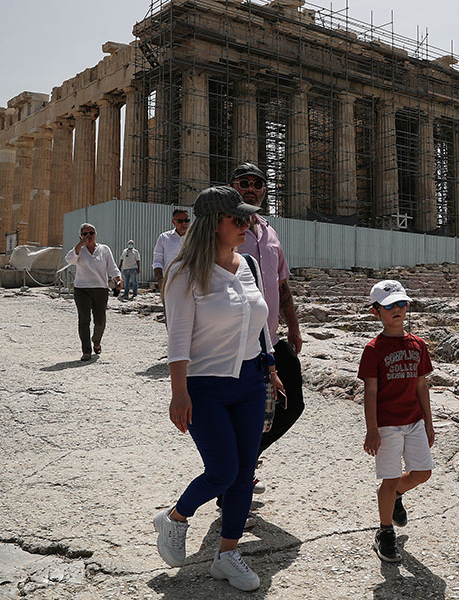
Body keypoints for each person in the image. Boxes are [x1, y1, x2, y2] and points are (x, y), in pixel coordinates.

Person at [153, 186, 282, 592]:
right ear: (214, 225)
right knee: (223, 471)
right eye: (237, 219)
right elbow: (177, 338)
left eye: (248, 218)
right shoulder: (184, 273)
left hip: (249, 380)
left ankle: (227, 555)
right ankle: (176, 517)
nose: (247, 225)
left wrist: (272, 367)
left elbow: (259, 321)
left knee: (245, 474)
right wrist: (179, 392)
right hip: (204, 386)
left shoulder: (248, 265)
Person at [230, 162, 304, 496]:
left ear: (264, 190)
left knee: (294, 403)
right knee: (242, 412)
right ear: (233, 187)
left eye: (257, 183)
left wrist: (294, 327)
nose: (251, 187)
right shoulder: (224, 228)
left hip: (272, 338)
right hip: (238, 339)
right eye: (243, 182)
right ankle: (233, 480)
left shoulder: (269, 231)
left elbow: (282, 284)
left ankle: (247, 459)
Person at [358, 280, 434, 563]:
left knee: (423, 473)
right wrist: (372, 430)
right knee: (388, 479)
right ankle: (385, 532)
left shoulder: (418, 345)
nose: (398, 309)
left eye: (402, 303)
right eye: (390, 306)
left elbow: (422, 386)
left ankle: (397, 496)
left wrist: (428, 423)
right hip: (387, 424)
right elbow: (371, 390)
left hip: (414, 421)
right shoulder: (373, 349)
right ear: (376, 312)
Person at [64, 223, 122, 361]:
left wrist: (118, 279)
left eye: (91, 233)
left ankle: (96, 341)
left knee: (100, 320)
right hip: (82, 289)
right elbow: (69, 259)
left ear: (95, 234)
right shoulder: (79, 250)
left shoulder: (104, 249)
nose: (88, 236)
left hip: (100, 289)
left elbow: (112, 267)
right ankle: (86, 350)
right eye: (85, 234)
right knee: (84, 320)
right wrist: (80, 244)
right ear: (81, 236)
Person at [153, 208, 191, 292]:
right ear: (173, 221)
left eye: (187, 220)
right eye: (180, 221)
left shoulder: (195, 238)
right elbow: (157, 261)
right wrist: (160, 279)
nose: (184, 223)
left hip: (190, 285)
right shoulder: (164, 238)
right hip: (169, 284)